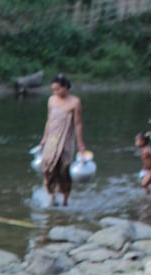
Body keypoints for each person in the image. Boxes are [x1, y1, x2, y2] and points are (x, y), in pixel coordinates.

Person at [38, 74, 87, 207]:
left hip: (66, 140)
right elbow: (49, 121)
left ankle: (65, 200)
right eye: (53, 90)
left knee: (64, 170)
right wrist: (44, 138)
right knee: (47, 168)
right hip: (51, 140)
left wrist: (81, 144)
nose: (55, 92)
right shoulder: (51, 100)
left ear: (65, 87)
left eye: (58, 89)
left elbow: (78, 124)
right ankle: (52, 197)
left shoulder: (75, 102)